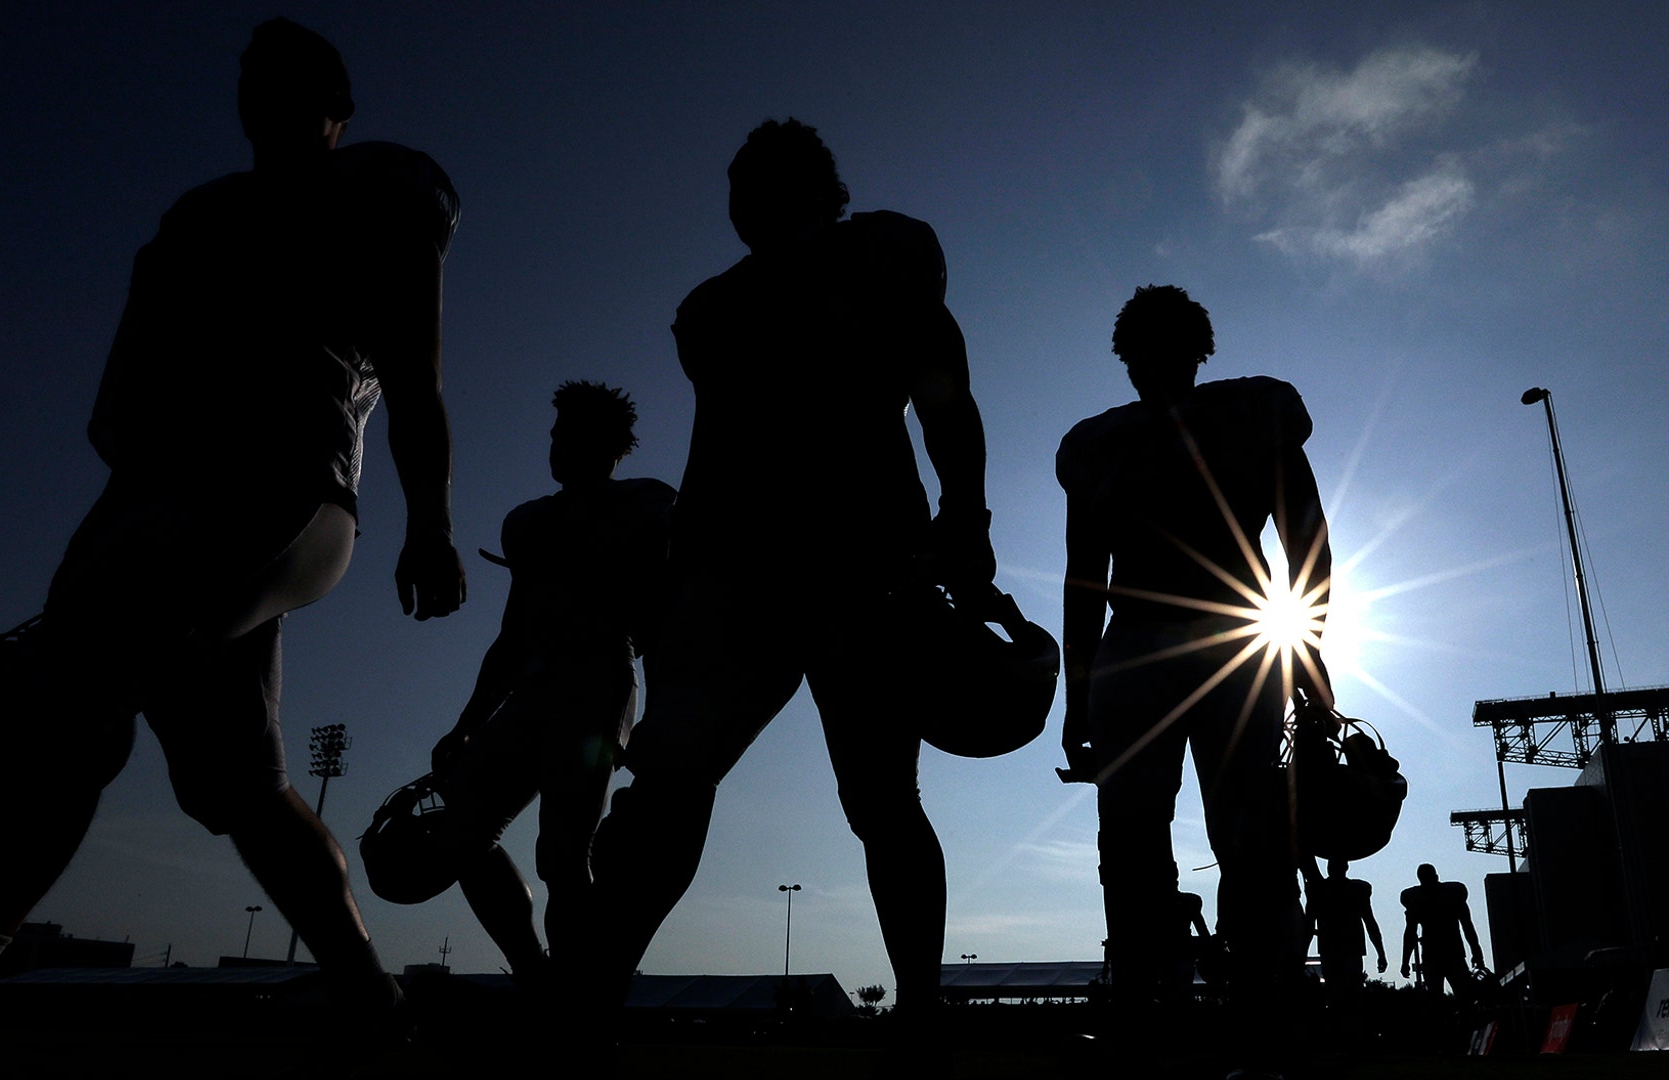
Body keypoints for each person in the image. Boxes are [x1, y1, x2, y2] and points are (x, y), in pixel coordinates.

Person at [0, 19, 464, 1076]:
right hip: (161, 506)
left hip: (287, 494)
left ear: (337, 106)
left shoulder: (378, 189)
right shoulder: (198, 219)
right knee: (240, 789)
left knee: (72, 712)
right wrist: (109, 541)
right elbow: (130, 418)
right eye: (258, 81)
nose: (270, 99)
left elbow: (414, 374)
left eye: (292, 83)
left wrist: (428, 520)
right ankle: (373, 1000)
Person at [580, 119, 996, 1037]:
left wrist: (966, 516)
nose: (741, 203)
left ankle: (918, 1008)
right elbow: (717, 449)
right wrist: (965, 519)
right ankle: (596, 998)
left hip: (834, 565)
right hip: (780, 567)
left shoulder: (857, 264)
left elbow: (939, 396)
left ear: (812, 188)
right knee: (711, 790)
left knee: (854, 798)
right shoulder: (719, 306)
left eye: (754, 184)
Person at [1056, 285, 1331, 1021]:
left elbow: (1308, 542)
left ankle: (1205, 1004)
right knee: (1206, 830)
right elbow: (1308, 544)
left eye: (1161, 345)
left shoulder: (1117, 442)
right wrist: (1307, 651)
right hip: (1216, 642)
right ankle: (1215, 1004)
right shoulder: (1240, 418)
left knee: (1189, 831)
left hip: (1190, 644)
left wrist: (1077, 693)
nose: (1151, 361)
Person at [422, 381, 673, 982]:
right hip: (535, 689)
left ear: (611, 449)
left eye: (572, 435)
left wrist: (662, 720)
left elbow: (666, 620)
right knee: (463, 832)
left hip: (601, 682)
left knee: (563, 854)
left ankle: (574, 988)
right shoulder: (530, 521)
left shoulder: (648, 505)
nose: (557, 446)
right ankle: (535, 975)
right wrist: (466, 724)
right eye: (555, 434)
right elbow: (513, 637)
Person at [1306, 857, 1387, 1002]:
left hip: (1333, 949)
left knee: (1337, 993)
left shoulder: (1319, 890)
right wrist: (1380, 952)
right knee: (1349, 994)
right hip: (1347, 949)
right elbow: (1370, 923)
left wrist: (1303, 953)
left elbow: (1309, 927)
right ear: (1346, 867)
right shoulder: (1357, 890)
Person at [1400, 863, 1484, 1001]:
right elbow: (1467, 926)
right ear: (1436, 876)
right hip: (1452, 952)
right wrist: (1477, 952)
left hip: (1433, 954)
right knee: (1463, 998)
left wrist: (1405, 961)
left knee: (1438, 1000)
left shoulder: (1416, 899)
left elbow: (1410, 933)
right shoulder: (1453, 895)